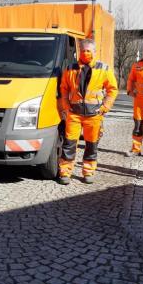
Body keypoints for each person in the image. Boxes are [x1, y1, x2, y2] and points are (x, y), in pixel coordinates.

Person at [57, 39, 119, 185]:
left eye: (88, 50)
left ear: (94, 52)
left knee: (91, 145)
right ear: (79, 51)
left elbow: (112, 90)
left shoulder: (103, 69)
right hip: (74, 113)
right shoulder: (70, 68)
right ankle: (65, 172)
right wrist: (66, 107)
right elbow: (64, 88)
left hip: (94, 115)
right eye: (83, 50)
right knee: (69, 144)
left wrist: (104, 108)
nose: (85, 53)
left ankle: (88, 172)